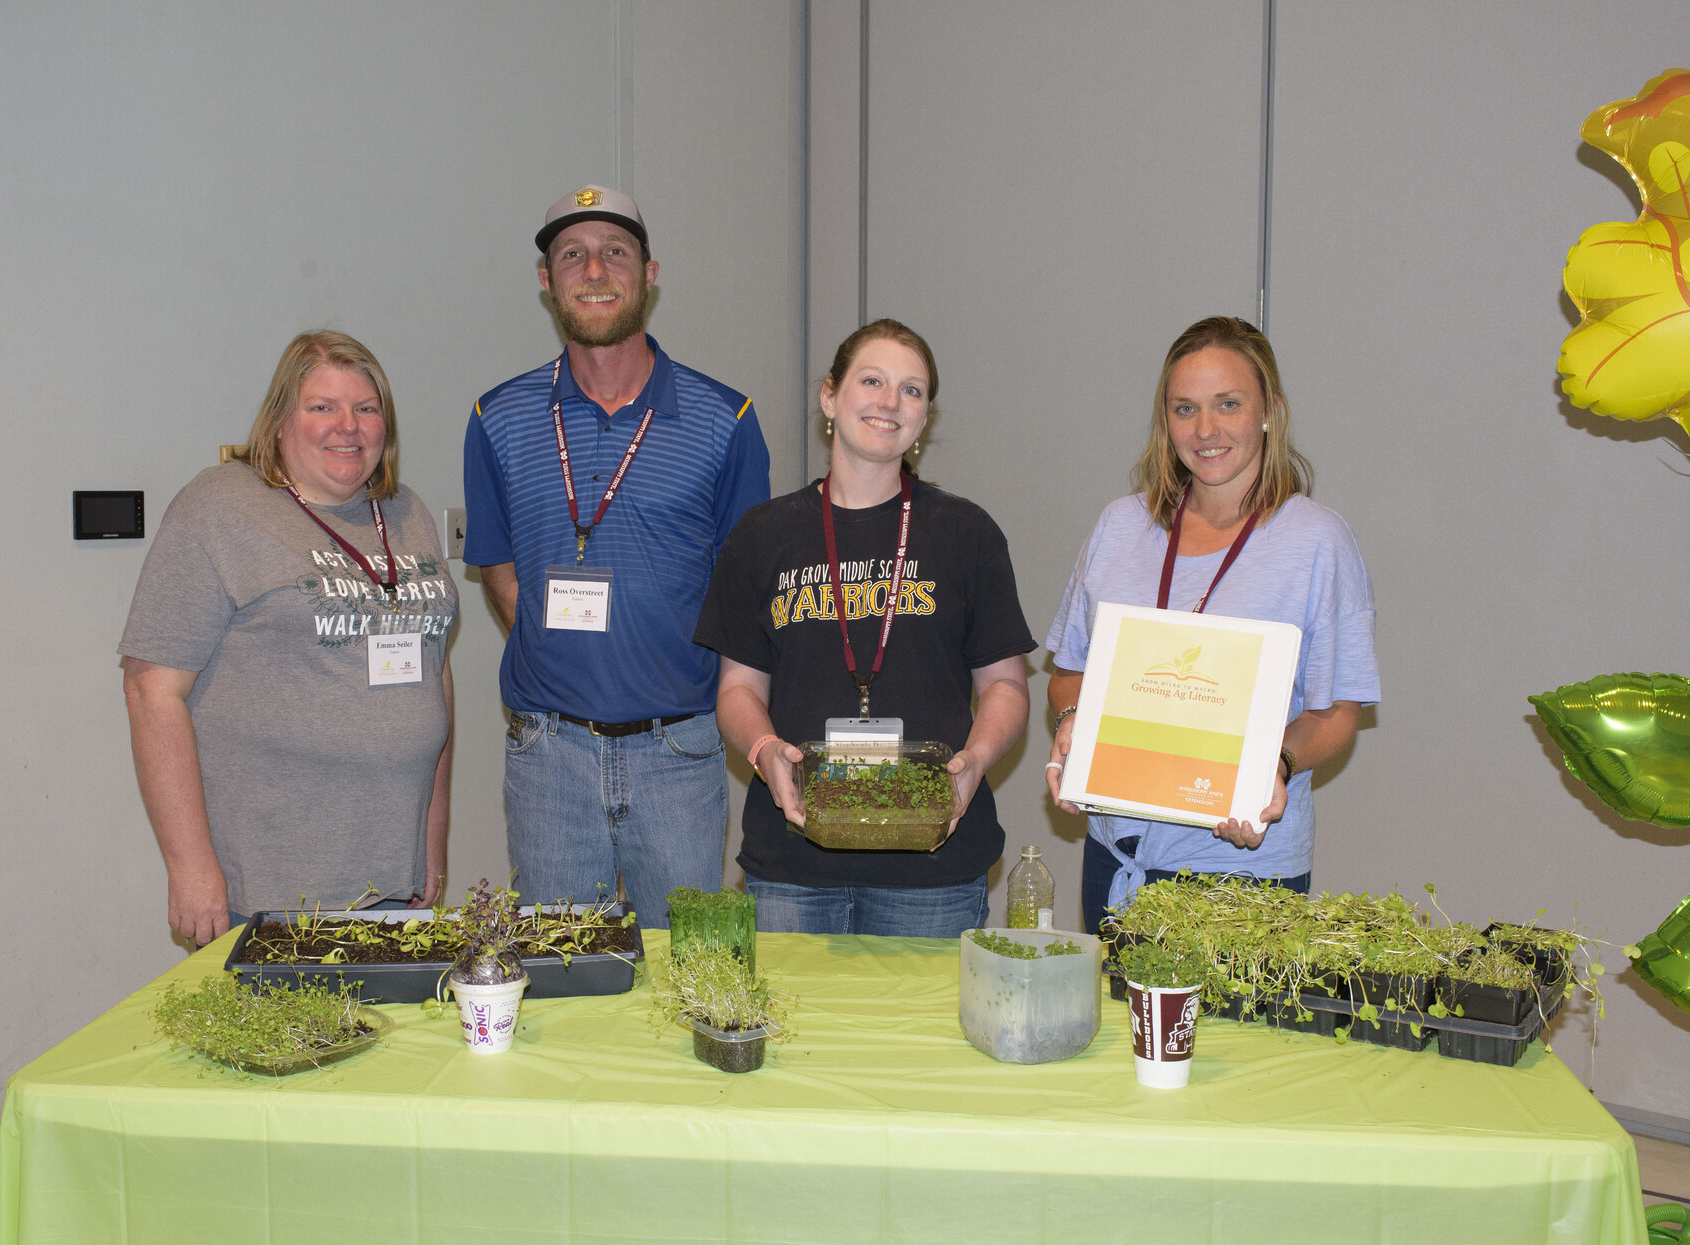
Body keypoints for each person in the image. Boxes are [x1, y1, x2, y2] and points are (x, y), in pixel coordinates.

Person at [463, 185, 770, 929]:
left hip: (681, 752)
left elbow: (745, 590)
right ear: (547, 281)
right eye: (572, 255)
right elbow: (500, 570)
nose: (594, 270)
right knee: (560, 971)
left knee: (683, 974)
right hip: (549, 755)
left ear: (649, 272)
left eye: (614, 252)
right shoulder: (495, 417)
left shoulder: (725, 419)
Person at [694, 319, 1034, 936]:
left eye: (912, 390)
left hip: (932, 860)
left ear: (925, 417)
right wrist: (766, 752)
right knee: (792, 1034)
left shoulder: (967, 534)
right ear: (830, 396)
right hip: (792, 858)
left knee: (922, 1036)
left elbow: (1006, 685)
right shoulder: (763, 536)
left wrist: (977, 760)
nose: (889, 402)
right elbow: (738, 690)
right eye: (871, 381)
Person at [120, 331, 458, 945]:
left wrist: (430, 841)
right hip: (270, 889)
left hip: (391, 882)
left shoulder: (406, 513)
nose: (347, 426)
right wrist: (191, 868)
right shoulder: (220, 508)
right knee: (290, 1042)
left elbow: (432, 677)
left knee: (391, 1042)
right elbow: (151, 693)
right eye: (322, 407)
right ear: (279, 423)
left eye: (367, 408)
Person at [1045, 315, 1379, 924]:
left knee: (1230, 1027)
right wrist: (1072, 721)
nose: (1206, 430)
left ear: (1269, 410)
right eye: (1184, 408)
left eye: (1228, 404)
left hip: (1243, 870)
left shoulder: (1317, 542)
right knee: (1120, 1024)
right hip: (1116, 858)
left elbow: (1337, 714)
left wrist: (1270, 770)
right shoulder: (1120, 527)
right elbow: (1068, 672)